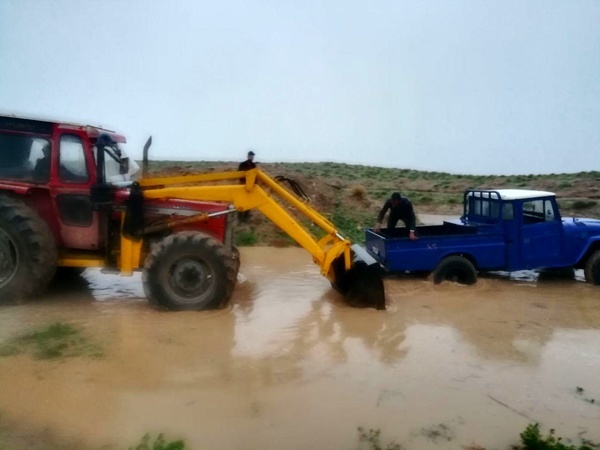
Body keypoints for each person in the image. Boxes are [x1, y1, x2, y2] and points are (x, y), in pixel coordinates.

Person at [237, 151, 257, 221]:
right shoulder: (243, 164)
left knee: (249, 201)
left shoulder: (253, 165)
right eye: (251, 156)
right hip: (243, 185)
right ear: (248, 156)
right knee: (241, 201)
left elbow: (255, 175)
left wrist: (254, 184)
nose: (252, 157)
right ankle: (240, 217)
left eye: (252, 156)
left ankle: (246, 216)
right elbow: (239, 174)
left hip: (251, 186)